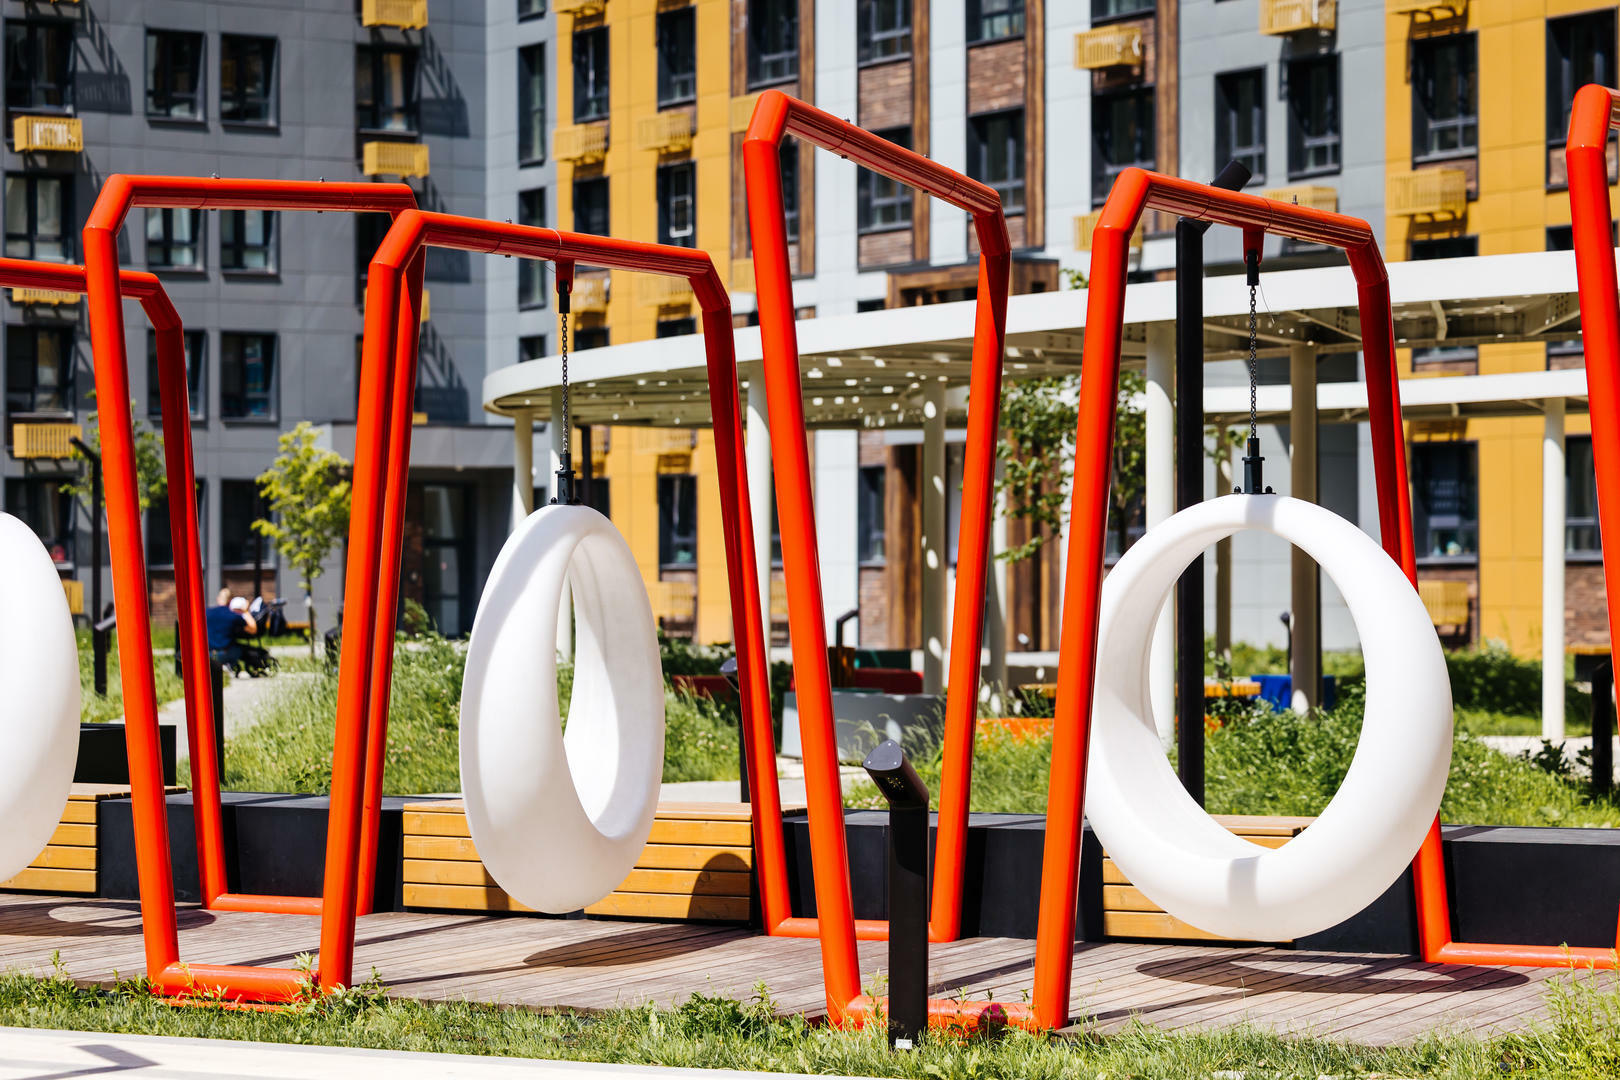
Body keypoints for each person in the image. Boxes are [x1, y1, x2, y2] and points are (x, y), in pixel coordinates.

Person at [206, 588, 257, 671]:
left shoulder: (206, 612)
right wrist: (245, 611)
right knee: (244, 649)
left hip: (209, 654)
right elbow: (253, 629)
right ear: (231, 601)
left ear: (218, 599)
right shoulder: (233, 615)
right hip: (227, 653)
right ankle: (230, 665)